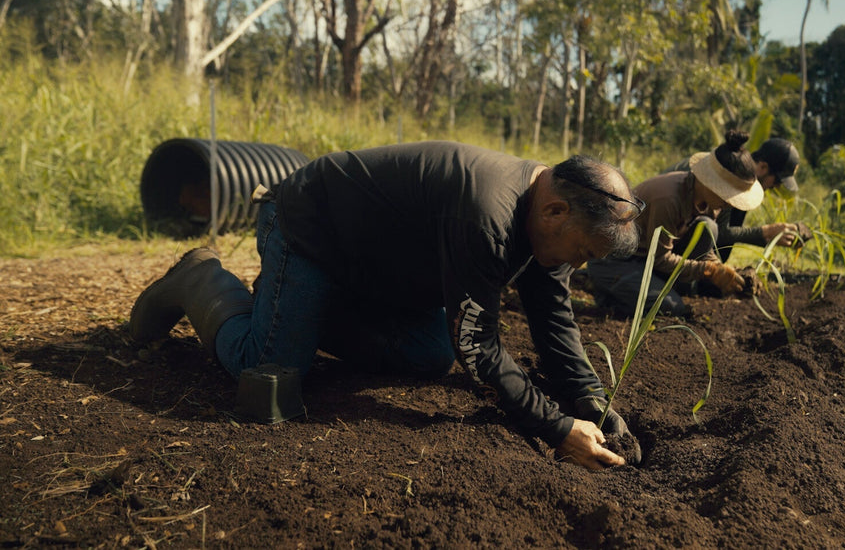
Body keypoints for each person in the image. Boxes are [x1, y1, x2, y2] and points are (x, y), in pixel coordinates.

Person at [129, 141, 644, 470]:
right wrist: (556, 429)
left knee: (429, 353)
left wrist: (589, 400)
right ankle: (202, 279)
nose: (575, 266)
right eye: (581, 252)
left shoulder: (548, 212)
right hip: (309, 230)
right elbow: (480, 348)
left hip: (369, 268)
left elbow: (552, 314)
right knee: (266, 371)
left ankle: (294, 310)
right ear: (555, 210)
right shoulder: (487, 216)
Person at [585, 131, 763, 317]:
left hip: (648, 260)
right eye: (728, 195)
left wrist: (718, 267)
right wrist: (709, 270)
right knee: (670, 308)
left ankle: (654, 287)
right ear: (711, 184)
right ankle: (607, 293)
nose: (730, 203)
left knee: (708, 227)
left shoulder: (711, 202)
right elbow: (660, 258)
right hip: (617, 261)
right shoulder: (669, 199)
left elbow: (697, 251)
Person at [664, 133, 808, 262]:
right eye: (777, 180)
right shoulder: (732, 175)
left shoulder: (745, 180)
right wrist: (767, 232)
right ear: (763, 167)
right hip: (662, 237)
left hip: (675, 235)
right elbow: (720, 232)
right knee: (708, 227)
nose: (776, 187)